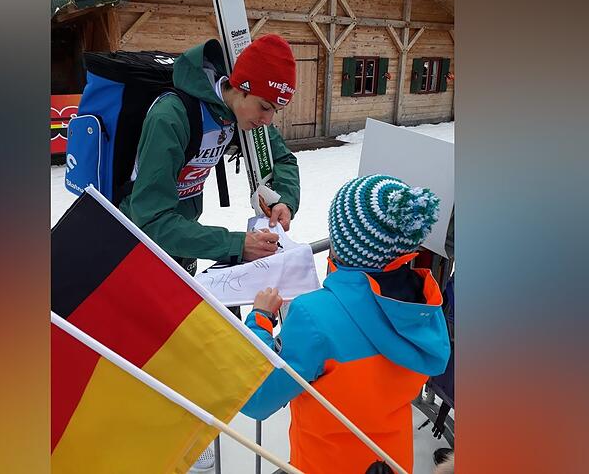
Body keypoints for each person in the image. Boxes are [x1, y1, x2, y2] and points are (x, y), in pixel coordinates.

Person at [240, 174, 451, 474]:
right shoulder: (423, 304)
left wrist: (260, 319)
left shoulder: (313, 316)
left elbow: (256, 398)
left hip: (324, 463)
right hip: (391, 462)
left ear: (342, 244)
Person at [119, 34, 301, 277]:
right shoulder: (171, 117)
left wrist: (284, 201)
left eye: (275, 111)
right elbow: (152, 220)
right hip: (137, 244)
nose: (268, 120)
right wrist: (235, 245)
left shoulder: (235, 114)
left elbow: (282, 158)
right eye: (265, 107)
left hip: (185, 239)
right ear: (241, 88)